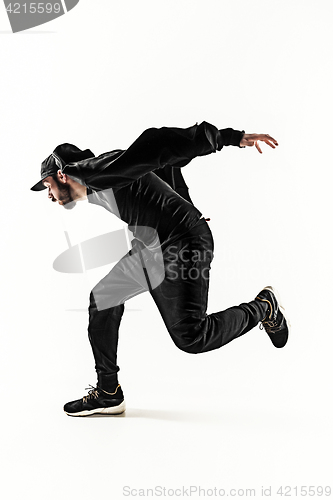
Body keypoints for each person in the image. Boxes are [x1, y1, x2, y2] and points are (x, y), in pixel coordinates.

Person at [31, 121, 289, 417]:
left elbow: (158, 143)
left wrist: (228, 138)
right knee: (102, 300)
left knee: (192, 336)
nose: (49, 195)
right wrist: (187, 205)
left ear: (63, 174)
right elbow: (165, 166)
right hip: (152, 246)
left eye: (48, 186)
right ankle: (108, 393)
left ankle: (264, 307)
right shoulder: (94, 182)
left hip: (182, 244)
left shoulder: (94, 172)